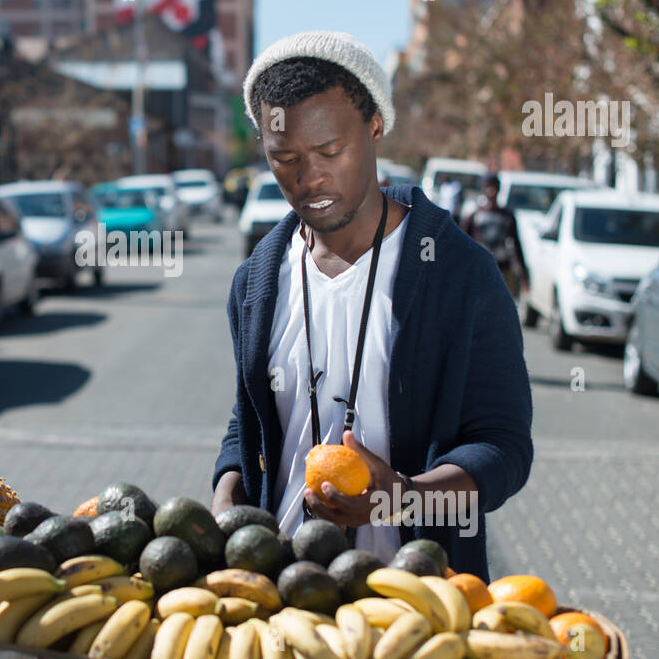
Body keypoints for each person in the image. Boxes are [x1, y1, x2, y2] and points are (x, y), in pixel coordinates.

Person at [211, 31, 532, 580]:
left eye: (330, 151)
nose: (308, 178)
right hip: (281, 598)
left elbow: (502, 449)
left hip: (414, 607)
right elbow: (248, 426)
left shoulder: (459, 273)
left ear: (376, 126)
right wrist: (224, 506)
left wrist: (403, 497)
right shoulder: (255, 281)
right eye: (283, 158)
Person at [461, 174, 527, 296]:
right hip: (480, 269)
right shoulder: (474, 216)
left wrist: (524, 276)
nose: (491, 191)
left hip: (502, 270)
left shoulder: (507, 216)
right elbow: (463, 246)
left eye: (494, 187)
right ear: (483, 190)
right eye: (488, 187)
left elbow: (516, 244)